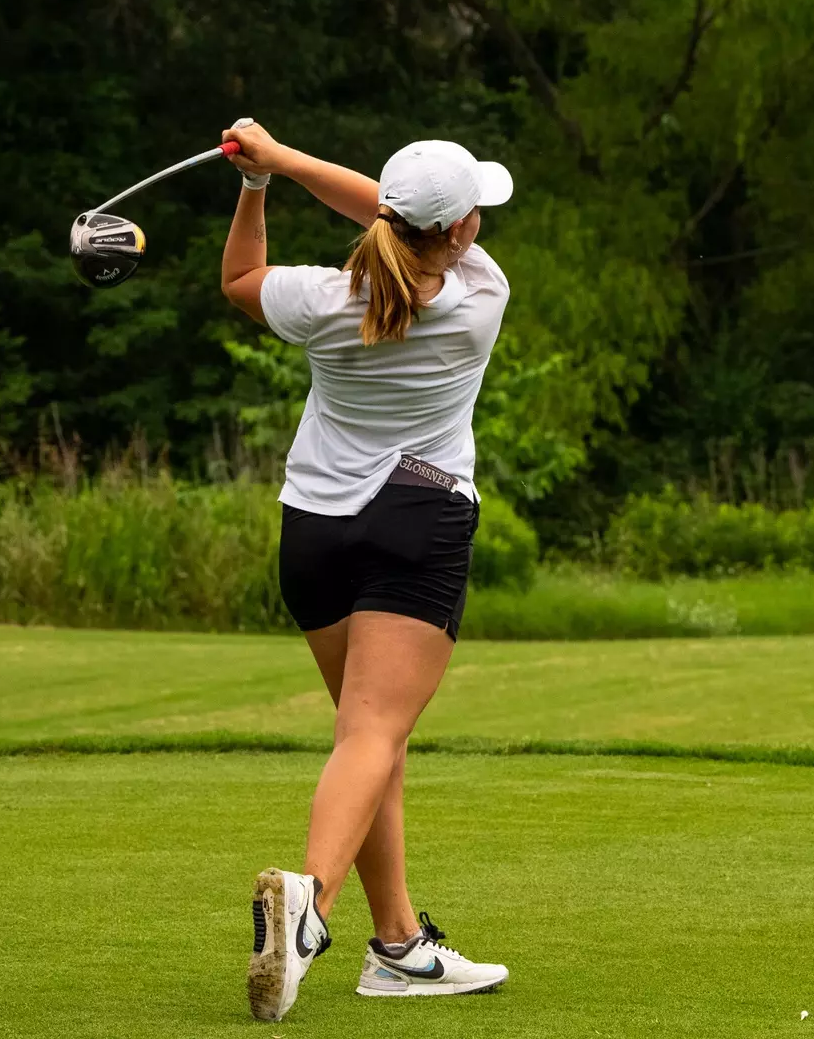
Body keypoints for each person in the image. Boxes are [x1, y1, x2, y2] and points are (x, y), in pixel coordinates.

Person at [218, 118, 513, 1022]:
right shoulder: (478, 293)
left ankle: (397, 947)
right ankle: (311, 906)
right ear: (460, 229)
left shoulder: (319, 297)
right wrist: (284, 161)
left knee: (369, 737)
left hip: (313, 530)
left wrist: (259, 182)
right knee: (373, 733)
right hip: (416, 515)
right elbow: (391, 219)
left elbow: (238, 280)